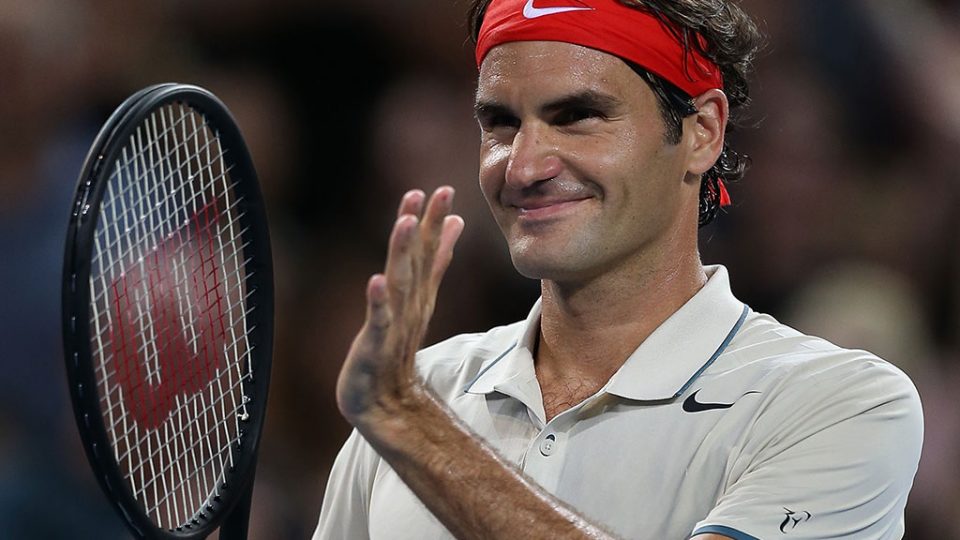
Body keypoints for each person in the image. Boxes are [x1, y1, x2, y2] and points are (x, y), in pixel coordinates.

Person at [313, 0, 923, 538]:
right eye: (500, 123)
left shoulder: (838, 404)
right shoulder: (416, 391)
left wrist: (416, 430)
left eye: (576, 116)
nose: (522, 168)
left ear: (701, 132)